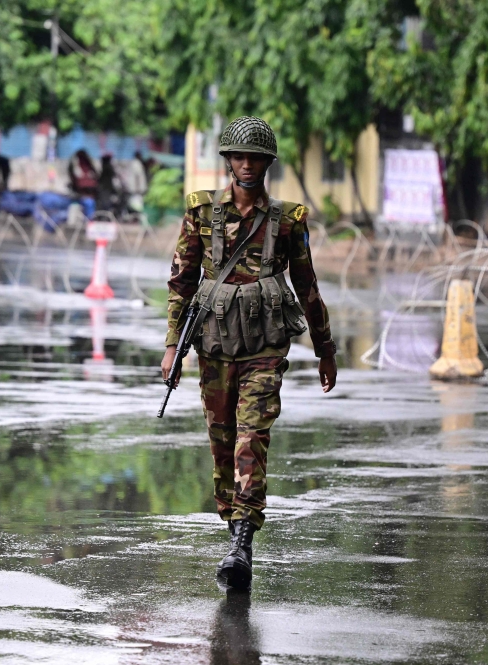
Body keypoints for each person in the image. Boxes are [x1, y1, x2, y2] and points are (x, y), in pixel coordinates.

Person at [161, 116, 338, 591]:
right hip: (215, 348)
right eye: (237, 156)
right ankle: (233, 521)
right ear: (227, 162)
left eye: (254, 157)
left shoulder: (286, 221)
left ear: (267, 163)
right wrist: (172, 348)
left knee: (251, 437)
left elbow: (307, 287)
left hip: (264, 347)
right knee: (222, 443)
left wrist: (326, 349)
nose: (245, 165)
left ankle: (241, 542)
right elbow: (181, 283)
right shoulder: (200, 215)